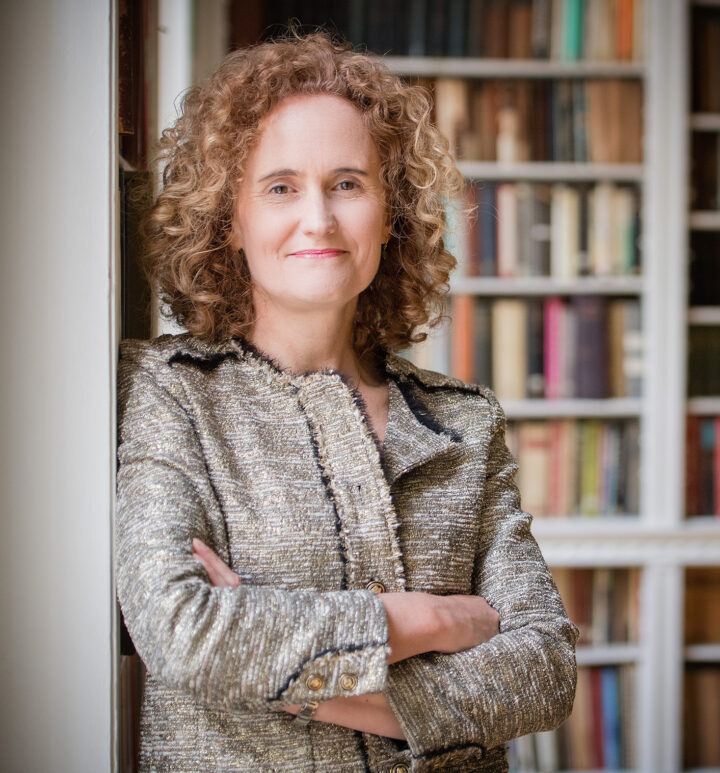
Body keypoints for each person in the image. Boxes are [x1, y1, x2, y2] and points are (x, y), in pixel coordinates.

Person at [115, 30, 578, 773]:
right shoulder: (174, 393)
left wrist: (284, 676)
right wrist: (429, 619)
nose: (319, 219)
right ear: (229, 218)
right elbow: (184, 631)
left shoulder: (464, 421)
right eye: (280, 186)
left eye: (348, 183)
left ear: (389, 212)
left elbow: (545, 671)